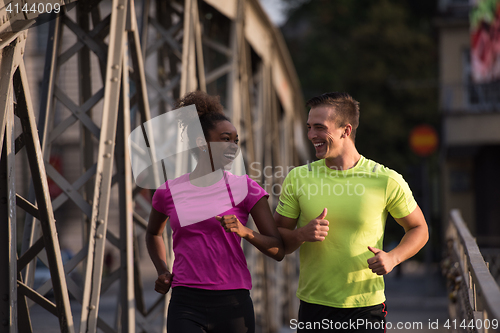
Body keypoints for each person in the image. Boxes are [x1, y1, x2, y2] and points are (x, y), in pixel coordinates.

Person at [274, 92, 429, 332]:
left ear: (346, 130)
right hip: (314, 306)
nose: (311, 135)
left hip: (365, 308)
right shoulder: (298, 178)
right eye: (308, 127)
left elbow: (419, 228)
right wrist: (302, 234)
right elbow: (277, 237)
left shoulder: (385, 179)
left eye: (319, 127)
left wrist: (393, 258)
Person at [146, 91, 284, 333]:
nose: (233, 147)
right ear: (201, 143)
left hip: (233, 303)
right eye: (225, 139)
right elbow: (153, 234)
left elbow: (278, 249)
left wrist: (245, 232)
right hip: (185, 301)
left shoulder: (247, 189)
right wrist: (162, 270)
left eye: (235, 141)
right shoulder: (168, 192)